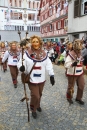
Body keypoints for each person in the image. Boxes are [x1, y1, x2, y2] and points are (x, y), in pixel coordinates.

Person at [17, 35, 55, 119]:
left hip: (42, 79)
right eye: (33, 41)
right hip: (32, 79)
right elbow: (20, 63)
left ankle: (38, 105)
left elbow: (48, 64)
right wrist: (21, 67)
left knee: (40, 94)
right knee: (35, 95)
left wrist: (51, 75)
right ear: (31, 43)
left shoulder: (44, 53)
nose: (35, 43)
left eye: (36, 41)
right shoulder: (26, 53)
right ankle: (33, 109)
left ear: (40, 43)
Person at [64, 39, 85, 105]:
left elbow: (81, 61)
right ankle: (69, 97)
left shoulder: (80, 53)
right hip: (72, 73)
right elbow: (66, 64)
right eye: (79, 45)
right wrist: (72, 64)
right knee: (71, 86)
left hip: (80, 72)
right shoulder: (71, 54)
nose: (80, 47)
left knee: (82, 85)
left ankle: (78, 98)